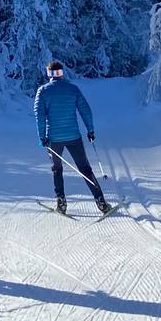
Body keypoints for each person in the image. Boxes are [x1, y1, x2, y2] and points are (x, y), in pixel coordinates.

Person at [34, 61, 110, 215]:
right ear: (62, 73)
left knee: (57, 169)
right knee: (85, 169)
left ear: (49, 74)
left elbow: (39, 116)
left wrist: (42, 137)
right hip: (74, 137)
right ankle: (101, 202)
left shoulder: (42, 91)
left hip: (53, 139)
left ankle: (61, 203)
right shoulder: (72, 89)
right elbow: (85, 110)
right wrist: (90, 130)